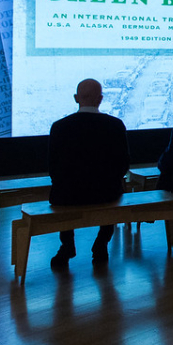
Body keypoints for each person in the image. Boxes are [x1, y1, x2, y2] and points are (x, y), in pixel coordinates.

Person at [47, 78, 131, 269]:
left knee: (61, 191)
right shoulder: (116, 125)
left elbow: (53, 168)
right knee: (116, 191)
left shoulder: (59, 127)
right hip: (106, 193)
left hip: (68, 195)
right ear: (101, 99)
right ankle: (101, 244)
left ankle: (67, 246)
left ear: (76, 98)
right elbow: (123, 164)